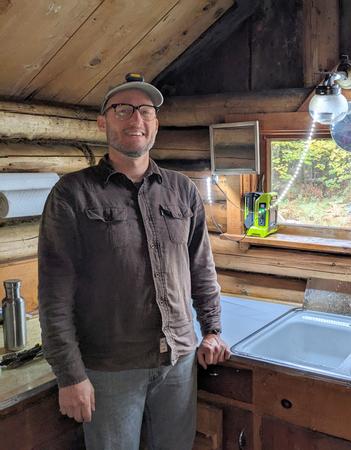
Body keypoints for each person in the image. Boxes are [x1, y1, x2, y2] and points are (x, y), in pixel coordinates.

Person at [38, 73, 230, 450]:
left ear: (155, 123)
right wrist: (69, 375)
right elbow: (54, 295)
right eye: (122, 109)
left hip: (179, 360)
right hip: (109, 370)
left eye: (145, 110)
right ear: (103, 121)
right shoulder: (72, 195)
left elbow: (201, 269)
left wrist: (212, 329)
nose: (135, 119)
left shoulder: (183, 190)